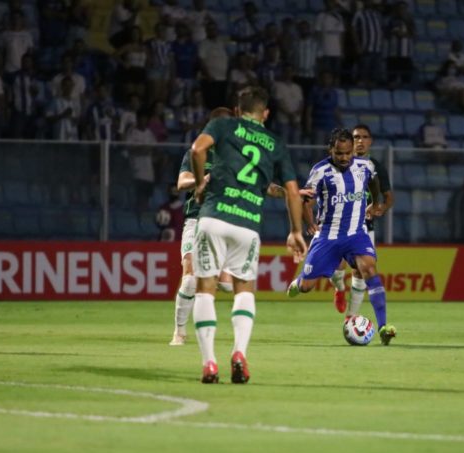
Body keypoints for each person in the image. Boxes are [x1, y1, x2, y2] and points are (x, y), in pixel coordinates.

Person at [189, 86, 307, 383]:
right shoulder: (275, 143)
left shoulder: (223, 124)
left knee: (206, 288)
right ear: (265, 114)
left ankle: (209, 363)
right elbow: (293, 191)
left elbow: (197, 149)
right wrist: (295, 230)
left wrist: (201, 185)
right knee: (244, 289)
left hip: (213, 217)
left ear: (238, 110)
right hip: (248, 224)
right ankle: (239, 353)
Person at [169, 105, 287, 347]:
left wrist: (290, 193)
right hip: (197, 219)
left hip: (228, 220)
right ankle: (179, 332)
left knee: (224, 284)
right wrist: (202, 180)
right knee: (190, 278)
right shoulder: (197, 153)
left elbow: (264, 186)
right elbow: (181, 183)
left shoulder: (238, 156)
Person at [287, 127, 396, 346]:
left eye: (348, 153)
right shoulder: (320, 171)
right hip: (328, 236)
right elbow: (307, 199)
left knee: (369, 269)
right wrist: (311, 224)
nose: (344, 158)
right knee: (307, 287)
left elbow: (374, 182)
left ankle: (383, 326)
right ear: (331, 150)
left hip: (356, 234)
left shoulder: (365, 166)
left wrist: (375, 202)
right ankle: (300, 281)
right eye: (339, 154)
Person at [328, 124, 393, 317]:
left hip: (364, 226)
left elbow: (388, 196)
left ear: (370, 141)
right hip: (338, 224)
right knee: (336, 269)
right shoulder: (337, 164)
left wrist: (380, 207)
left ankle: (351, 317)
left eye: (365, 137)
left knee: (360, 273)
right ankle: (339, 288)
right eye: (356, 137)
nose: (360, 141)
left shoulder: (375, 167)